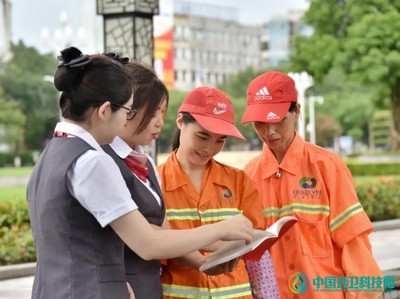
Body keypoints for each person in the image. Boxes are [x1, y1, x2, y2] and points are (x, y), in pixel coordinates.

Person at [26, 47, 254, 299]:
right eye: (128, 111)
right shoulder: (92, 161)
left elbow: (154, 233)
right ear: (104, 111)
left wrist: (208, 251)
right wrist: (221, 229)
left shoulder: (52, 154)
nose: (127, 120)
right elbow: (147, 244)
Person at [241, 71, 383, 298]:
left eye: (278, 120)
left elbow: (353, 244)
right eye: (260, 123)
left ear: (296, 111)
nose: (269, 131)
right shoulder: (247, 177)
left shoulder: (327, 167)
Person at [158, 86, 279, 299]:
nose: (209, 148)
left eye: (220, 140)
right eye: (202, 136)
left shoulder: (239, 182)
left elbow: (255, 254)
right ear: (180, 122)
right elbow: (157, 248)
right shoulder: (156, 182)